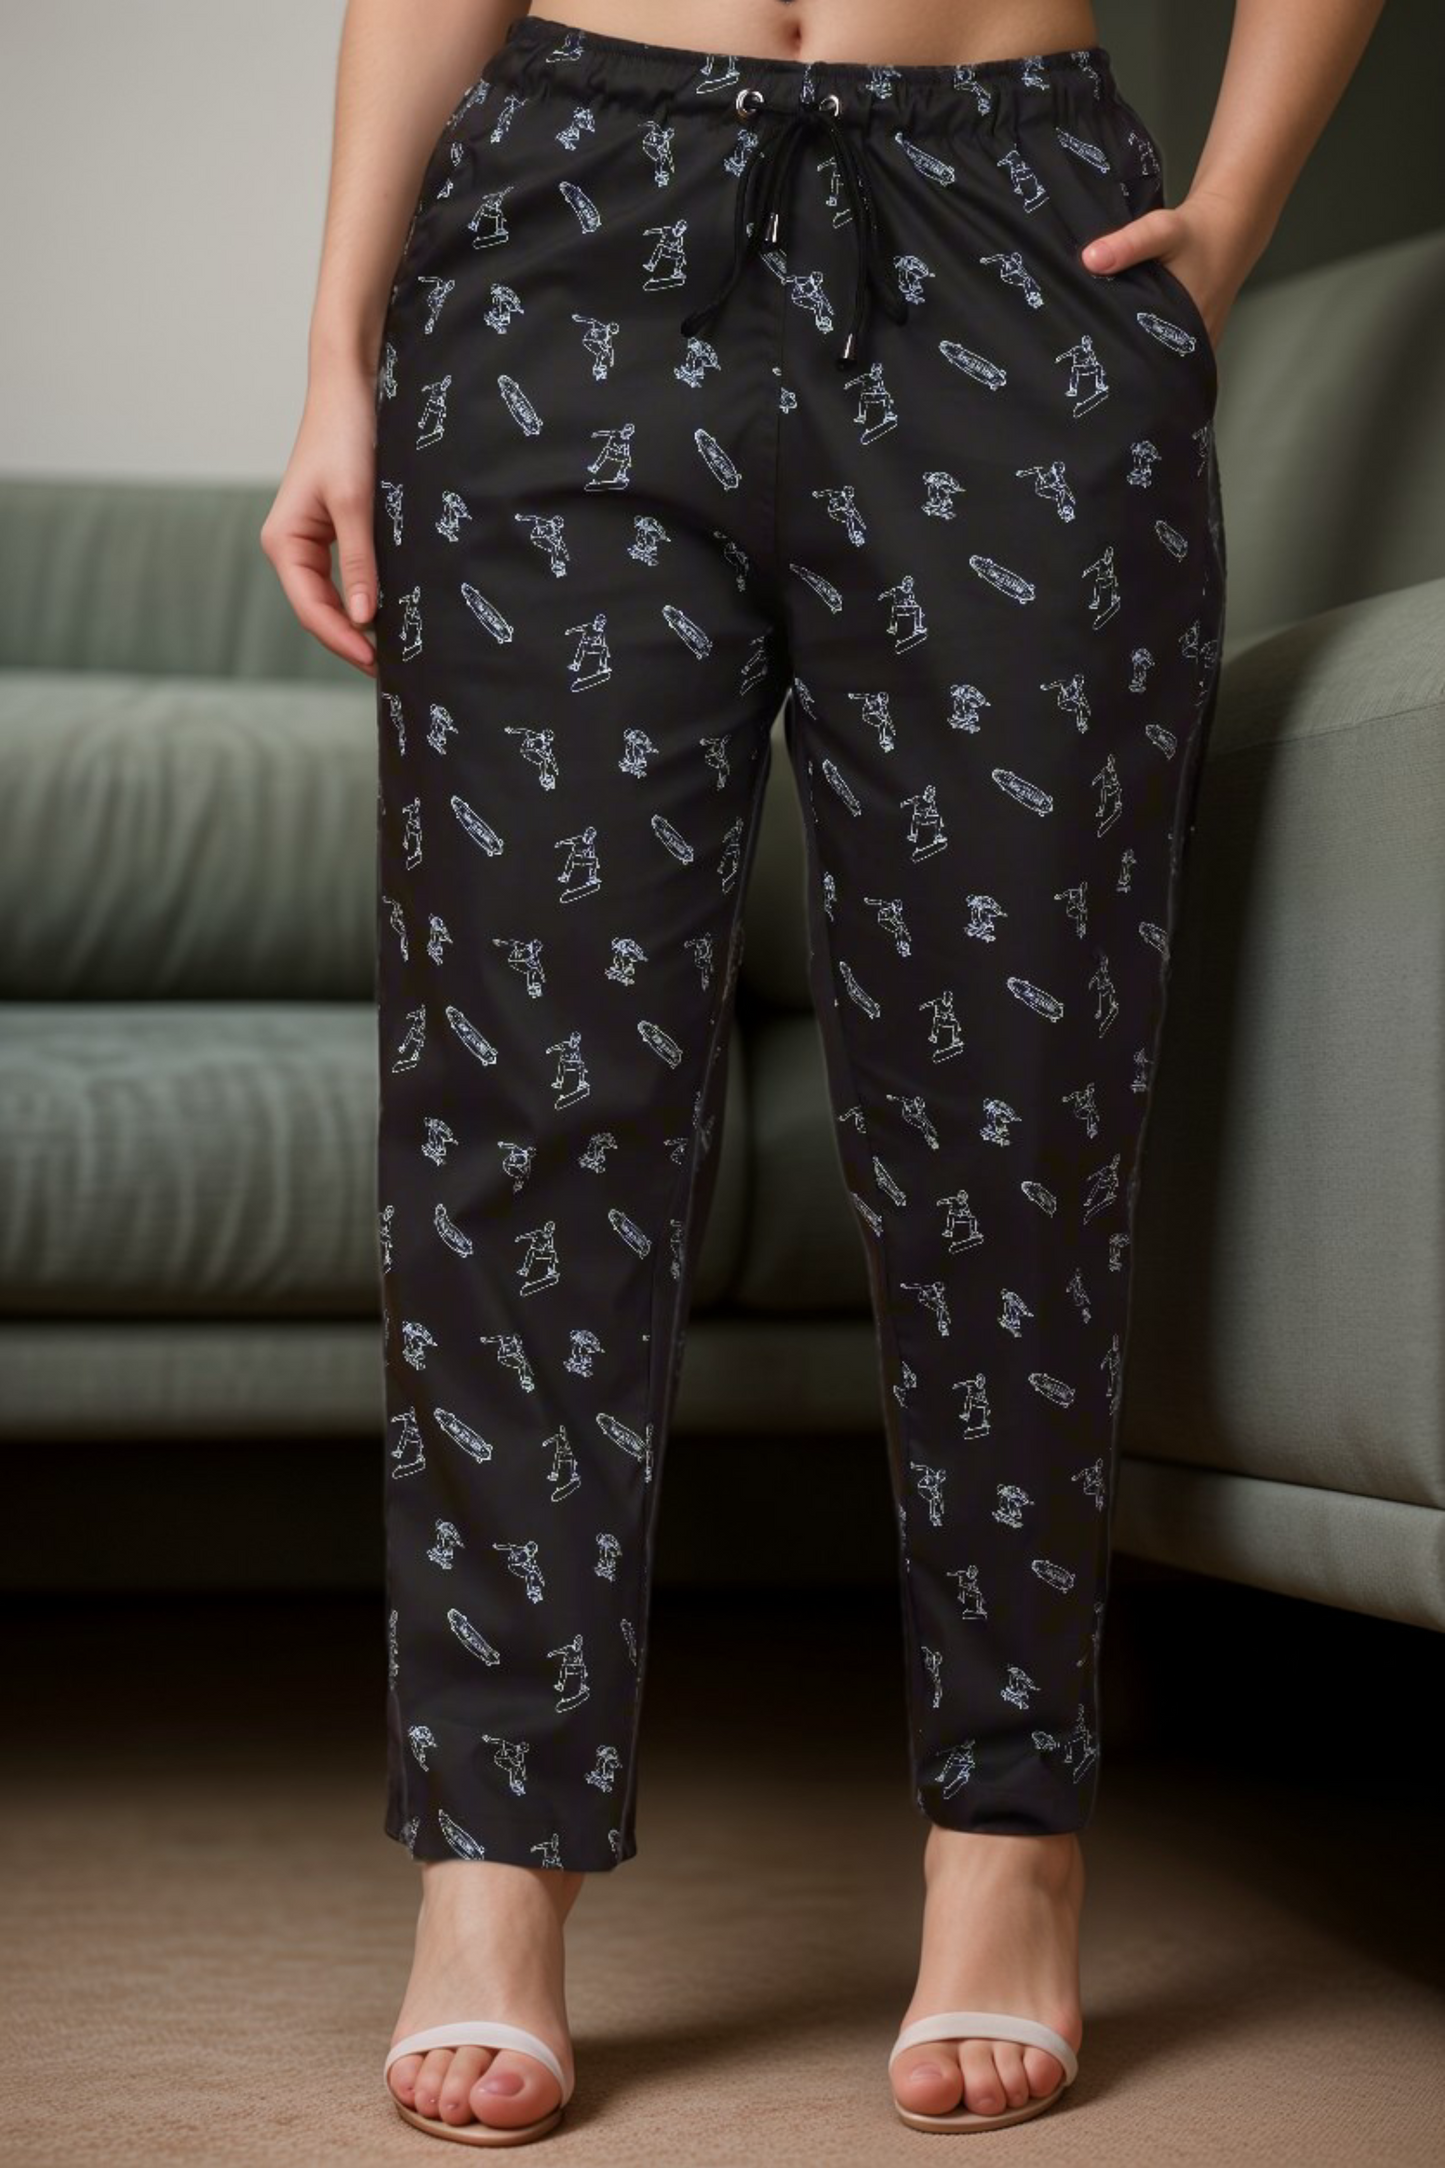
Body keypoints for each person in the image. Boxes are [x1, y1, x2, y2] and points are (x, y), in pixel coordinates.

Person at [262, 0, 1384, 2142]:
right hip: (562, 240)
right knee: (528, 1095)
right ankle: (490, 1865)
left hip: (1011, 233)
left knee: (1019, 1097)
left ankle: (1007, 1841)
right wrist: (336, 345)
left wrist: (1232, 210)